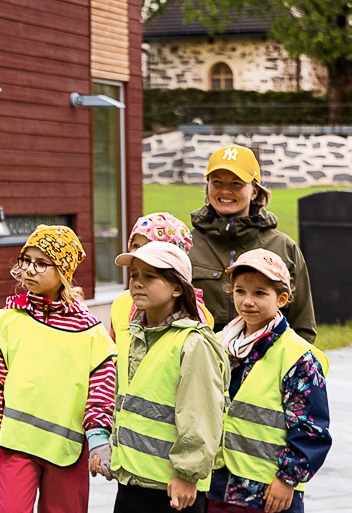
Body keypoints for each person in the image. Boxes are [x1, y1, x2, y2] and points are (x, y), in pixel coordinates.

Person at [0, 225, 116, 513]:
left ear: (63, 271)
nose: (30, 270)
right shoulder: (4, 322)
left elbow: (102, 389)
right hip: (15, 447)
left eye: (41, 263)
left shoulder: (90, 332)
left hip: (68, 451)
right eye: (26, 261)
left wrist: (98, 439)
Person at [207, 249, 331, 513]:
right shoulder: (220, 343)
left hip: (269, 493)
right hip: (217, 485)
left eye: (260, 293)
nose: (247, 301)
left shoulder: (297, 356)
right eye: (240, 291)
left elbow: (312, 429)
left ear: (282, 298)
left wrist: (287, 479)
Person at [110, 241, 229, 513]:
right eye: (134, 275)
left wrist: (187, 474)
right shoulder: (133, 334)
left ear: (177, 287)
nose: (138, 283)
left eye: (150, 276)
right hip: (132, 478)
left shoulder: (193, 343)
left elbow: (200, 415)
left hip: (173, 488)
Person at [190, 145, 315, 342]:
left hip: (265, 367)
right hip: (201, 367)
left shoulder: (284, 247)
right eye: (217, 182)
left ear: (254, 191)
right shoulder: (186, 245)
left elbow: (303, 326)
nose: (225, 191)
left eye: (236, 183)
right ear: (208, 187)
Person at [110, 212, 213, 338]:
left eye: (150, 246)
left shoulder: (193, 314)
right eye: (136, 245)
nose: (140, 252)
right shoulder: (122, 302)